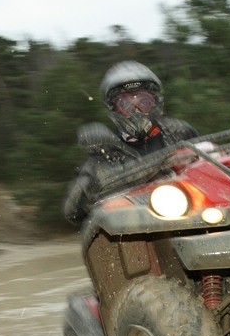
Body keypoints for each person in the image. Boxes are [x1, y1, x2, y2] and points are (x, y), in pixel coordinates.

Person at [63, 61, 199, 224]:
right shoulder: (103, 156)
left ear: (156, 102)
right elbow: (72, 212)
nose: (136, 111)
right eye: (126, 105)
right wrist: (93, 180)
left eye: (144, 102)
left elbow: (211, 166)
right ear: (114, 109)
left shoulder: (178, 133)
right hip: (132, 230)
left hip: (189, 216)